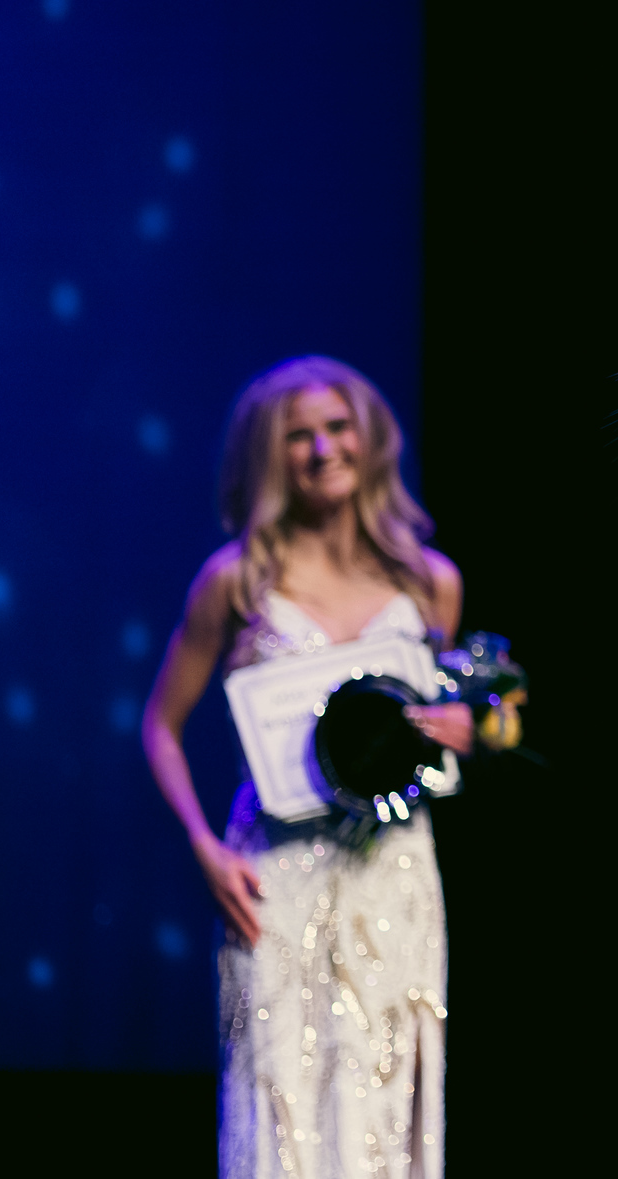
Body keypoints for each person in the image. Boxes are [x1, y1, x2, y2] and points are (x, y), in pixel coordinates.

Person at [140, 357, 474, 1179]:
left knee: (385, 1074)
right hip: (274, 872)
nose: (322, 448)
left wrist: (468, 724)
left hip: (393, 869)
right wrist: (202, 844)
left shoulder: (429, 583)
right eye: (298, 436)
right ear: (269, 456)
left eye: (336, 427)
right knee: (279, 1077)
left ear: (368, 438)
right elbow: (160, 725)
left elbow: (459, 713)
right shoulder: (236, 580)